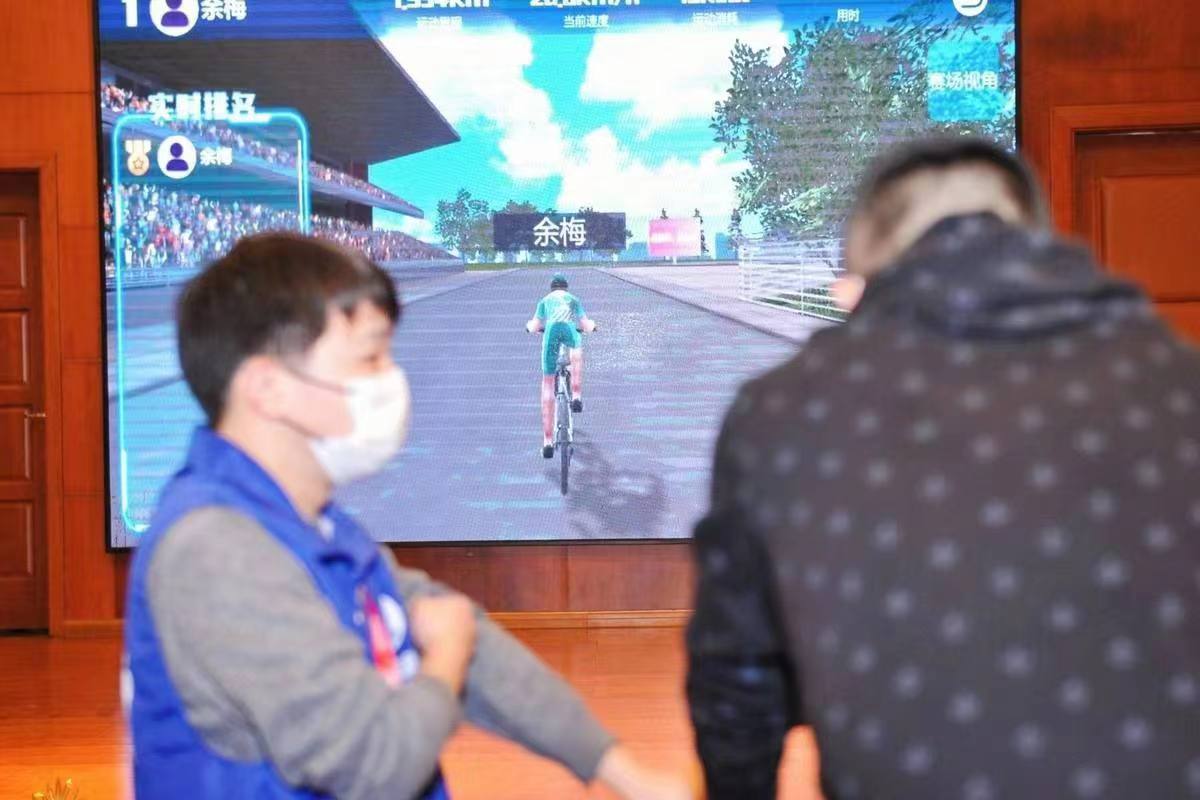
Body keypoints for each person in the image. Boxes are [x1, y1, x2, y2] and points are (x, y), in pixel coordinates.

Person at [686, 138, 1200, 799]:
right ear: (1036, 241)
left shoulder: (781, 412)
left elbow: (738, 690)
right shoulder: (1182, 383)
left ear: (866, 269)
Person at [124, 233, 688, 800]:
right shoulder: (217, 549)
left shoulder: (320, 528)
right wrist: (445, 656)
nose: (390, 380)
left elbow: (477, 650)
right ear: (268, 387)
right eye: (369, 358)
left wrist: (620, 770)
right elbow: (376, 761)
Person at [525, 272, 597, 458]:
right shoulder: (573, 299)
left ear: (552, 288)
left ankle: (548, 441)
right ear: (566, 288)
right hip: (568, 329)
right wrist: (592, 326)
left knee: (548, 382)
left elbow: (534, 326)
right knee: (576, 348)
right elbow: (585, 324)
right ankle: (577, 395)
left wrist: (529, 327)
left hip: (550, 332)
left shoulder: (545, 301)